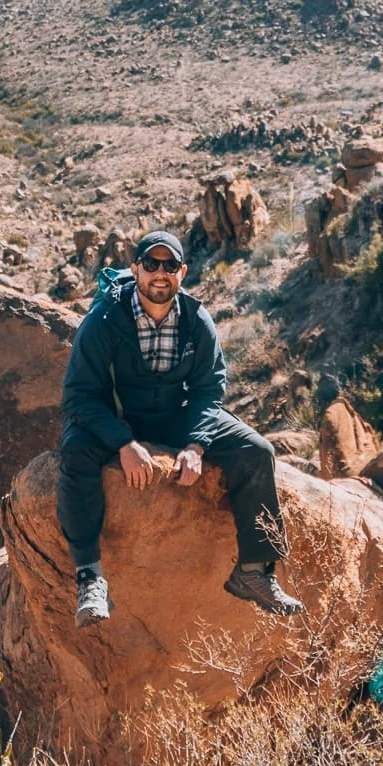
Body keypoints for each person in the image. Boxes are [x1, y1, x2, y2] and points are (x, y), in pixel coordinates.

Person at [57, 229, 303, 628]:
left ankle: (255, 571)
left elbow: (209, 388)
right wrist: (124, 443)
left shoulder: (195, 319)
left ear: (182, 272)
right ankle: (89, 576)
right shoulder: (104, 321)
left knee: (257, 452)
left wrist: (196, 445)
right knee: (74, 452)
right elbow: (79, 396)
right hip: (115, 416)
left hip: (174, 415)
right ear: (135, 268)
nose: (159, 273)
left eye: (169, 265)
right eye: (150, 264)